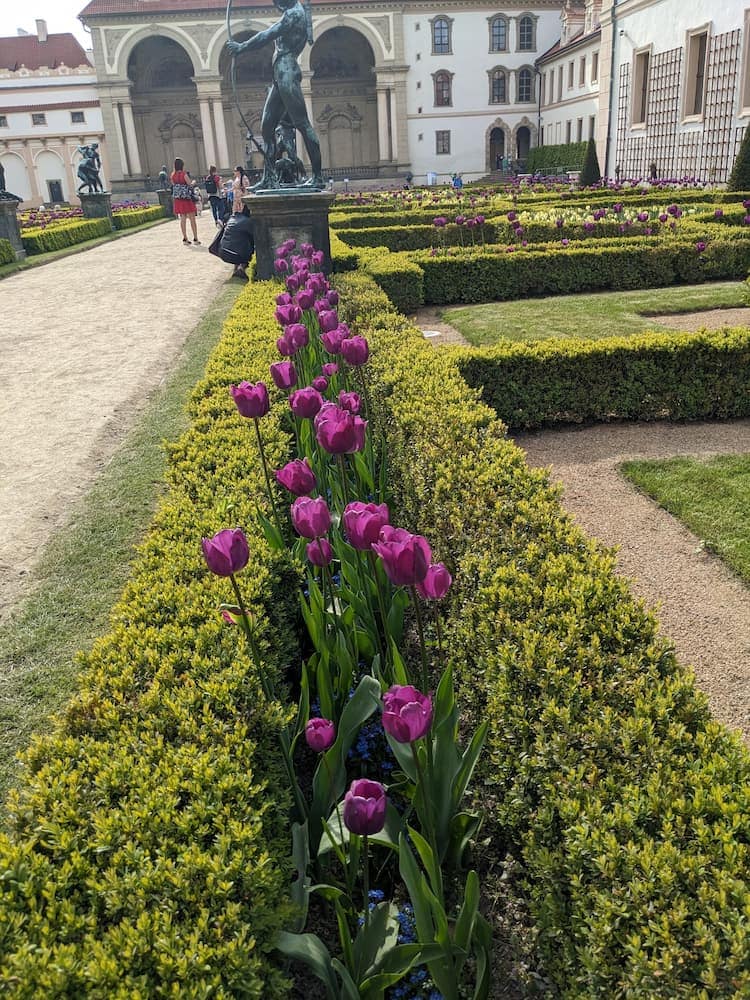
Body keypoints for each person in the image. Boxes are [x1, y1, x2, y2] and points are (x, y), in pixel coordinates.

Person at [226, 0, 324, 190]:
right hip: (280, 77)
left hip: (287, 74)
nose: (277, 4)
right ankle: (270, 177)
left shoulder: (294, 14)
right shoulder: (292, 11)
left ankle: (318, 177)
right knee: (267, 127)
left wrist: (241, 47)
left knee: (302, 125)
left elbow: (267, 34)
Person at [170, 157, 200, 245]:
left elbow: (174, 185)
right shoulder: (184, 174)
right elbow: (190, 185)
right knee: (192, 218)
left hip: (178, 199)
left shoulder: (173, 175)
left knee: (182, 218)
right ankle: (195, 238)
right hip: (186, 198)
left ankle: (185, 238)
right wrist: (194, 182)